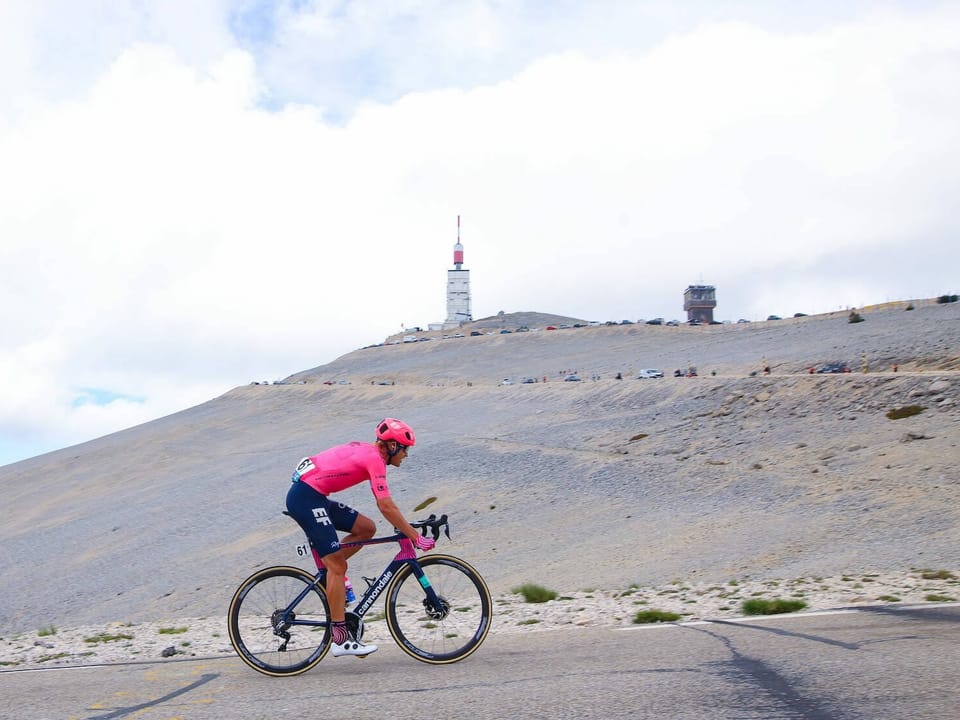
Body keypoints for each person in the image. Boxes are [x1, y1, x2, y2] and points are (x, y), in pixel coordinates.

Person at [285, 418, 435, 657]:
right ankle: (341, 639)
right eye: (405, 449)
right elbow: (385, 505)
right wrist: (415, 536)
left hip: (313, 494)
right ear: (393, 446)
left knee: (366, 528)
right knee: (338, 565)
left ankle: (332, 574)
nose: (406, 455)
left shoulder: (368, 451)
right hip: (306, 498)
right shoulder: (376, 460)